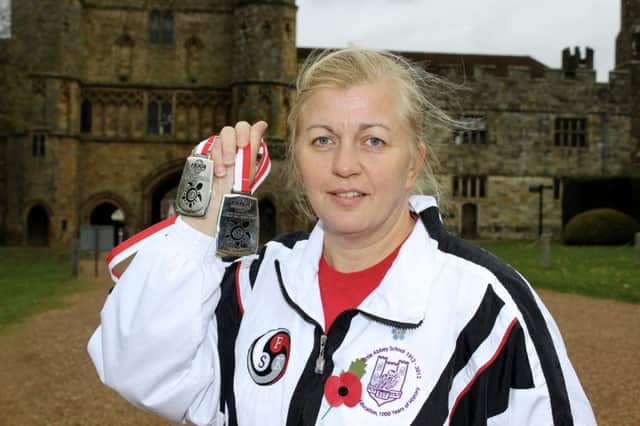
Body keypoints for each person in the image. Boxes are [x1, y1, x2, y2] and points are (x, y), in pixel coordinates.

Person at [88, 47, 596, 425]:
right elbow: (139, 371)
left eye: (373, 140)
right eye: (322, 140)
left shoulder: (488, 306)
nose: (345, 165)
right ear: (298, 159)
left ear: (413, 160)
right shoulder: (252, 283)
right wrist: (198, 218)